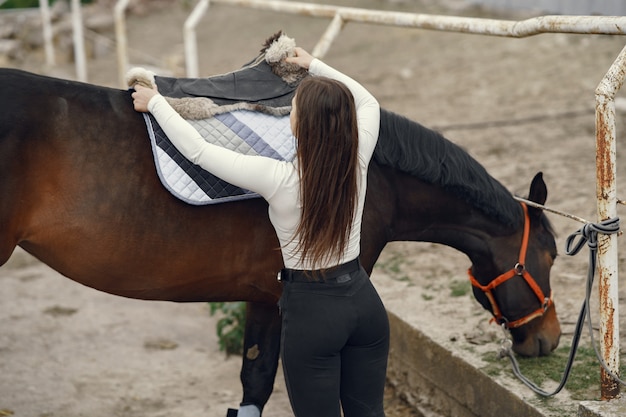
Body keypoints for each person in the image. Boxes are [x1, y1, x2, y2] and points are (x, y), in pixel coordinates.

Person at [132, 47, 389, 417]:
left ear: (301, 125)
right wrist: (314, 64)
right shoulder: (358, 158)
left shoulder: (279, 179)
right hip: (365, 304)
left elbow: (199, 151)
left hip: (313, 314)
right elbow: (368, 103)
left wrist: (157, 104)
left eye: (295, 110)